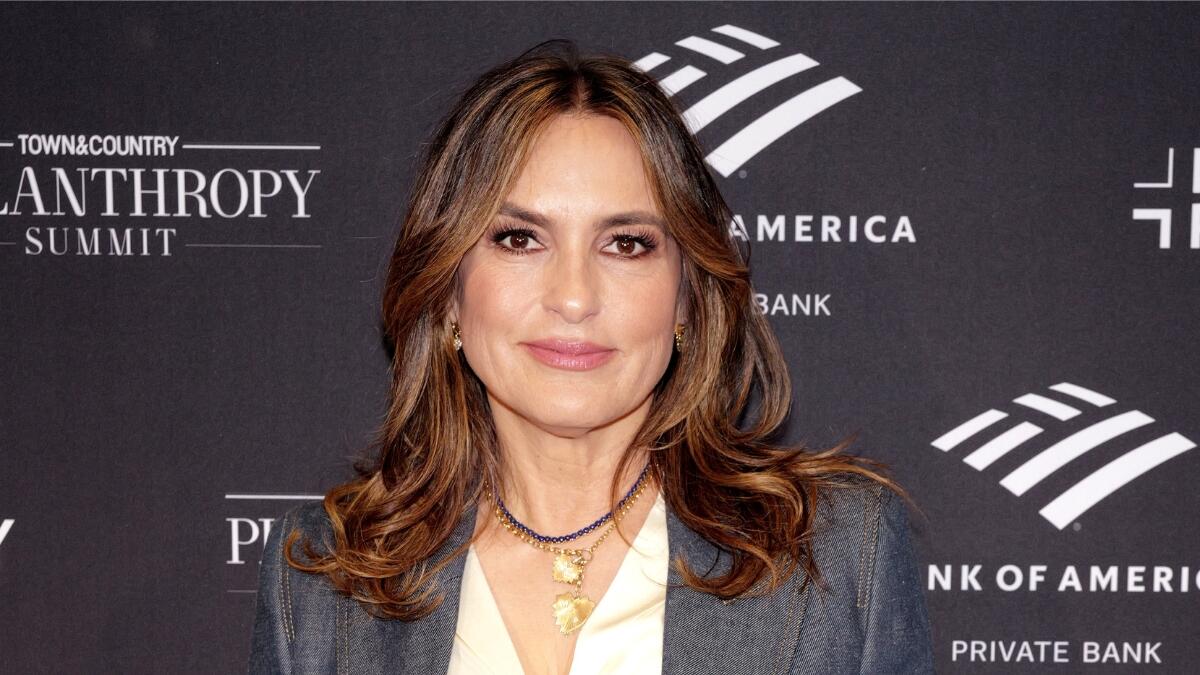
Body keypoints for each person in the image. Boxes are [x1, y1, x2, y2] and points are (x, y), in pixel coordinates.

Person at [248, 38, 933, 675]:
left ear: (687, 296)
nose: (573, 297)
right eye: (519, 239)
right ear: (448, 289)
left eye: (626, 244)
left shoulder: (840, 555)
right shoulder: (322, 579)